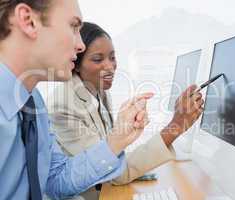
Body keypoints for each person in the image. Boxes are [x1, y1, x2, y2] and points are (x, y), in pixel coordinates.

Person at [0, 1, 153, 199]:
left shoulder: (33, 103)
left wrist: (117, 140)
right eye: (73, 27)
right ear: (28, 21)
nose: (81, 45)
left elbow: (54, 180)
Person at [48, 22, 205, 199]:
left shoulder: (98, 91)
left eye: (112, 57)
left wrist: (126, 133)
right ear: (76, 63)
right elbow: (113, 172)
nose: (110, 67)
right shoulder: (63, 106)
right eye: (98, 59)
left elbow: (111, 153)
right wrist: (176, 126)